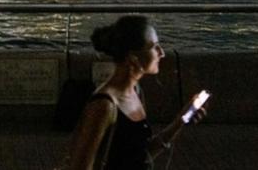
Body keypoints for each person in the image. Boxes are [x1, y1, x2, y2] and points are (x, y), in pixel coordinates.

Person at [67, 16, 207, 170]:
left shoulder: (136, 92)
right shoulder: (104, 105)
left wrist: (182, 119)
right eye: (154, 47)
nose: (162, 53)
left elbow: (141, 155)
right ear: (132, 57)